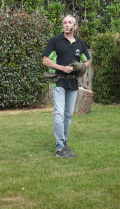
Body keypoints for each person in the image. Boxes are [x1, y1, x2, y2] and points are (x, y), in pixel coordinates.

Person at [43, 15, 90, 158]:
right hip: (58, 81)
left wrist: (82, 66)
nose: (67, 24)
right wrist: (61, 68)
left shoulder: (80, 44)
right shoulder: (55, 41)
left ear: (75, 26)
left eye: (70, 22)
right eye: (64, 22)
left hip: (73, 83)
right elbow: (45, 60)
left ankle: (63, 143)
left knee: (68, 114)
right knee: (59, 113)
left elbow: (87, 61)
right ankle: (59, 149)